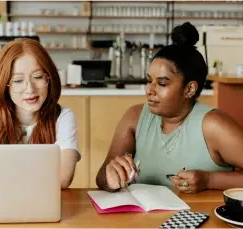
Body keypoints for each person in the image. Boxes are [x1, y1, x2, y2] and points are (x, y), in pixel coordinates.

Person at [96, 22, 243, 194]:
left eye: (162, 83)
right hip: (142, 220)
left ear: (189, 89)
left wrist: (209, 180)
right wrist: (111, 179)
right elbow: (101, 178)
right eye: (149, 80)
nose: (149, 90)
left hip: (198, 219)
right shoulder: (134, 117)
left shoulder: (213, 125)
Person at [0, 38, 80, 189]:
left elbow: (63, 178)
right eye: (18, 80)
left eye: (38, 77)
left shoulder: (62, 117)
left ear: (49, 78)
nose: (30, 89)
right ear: (4, 85)